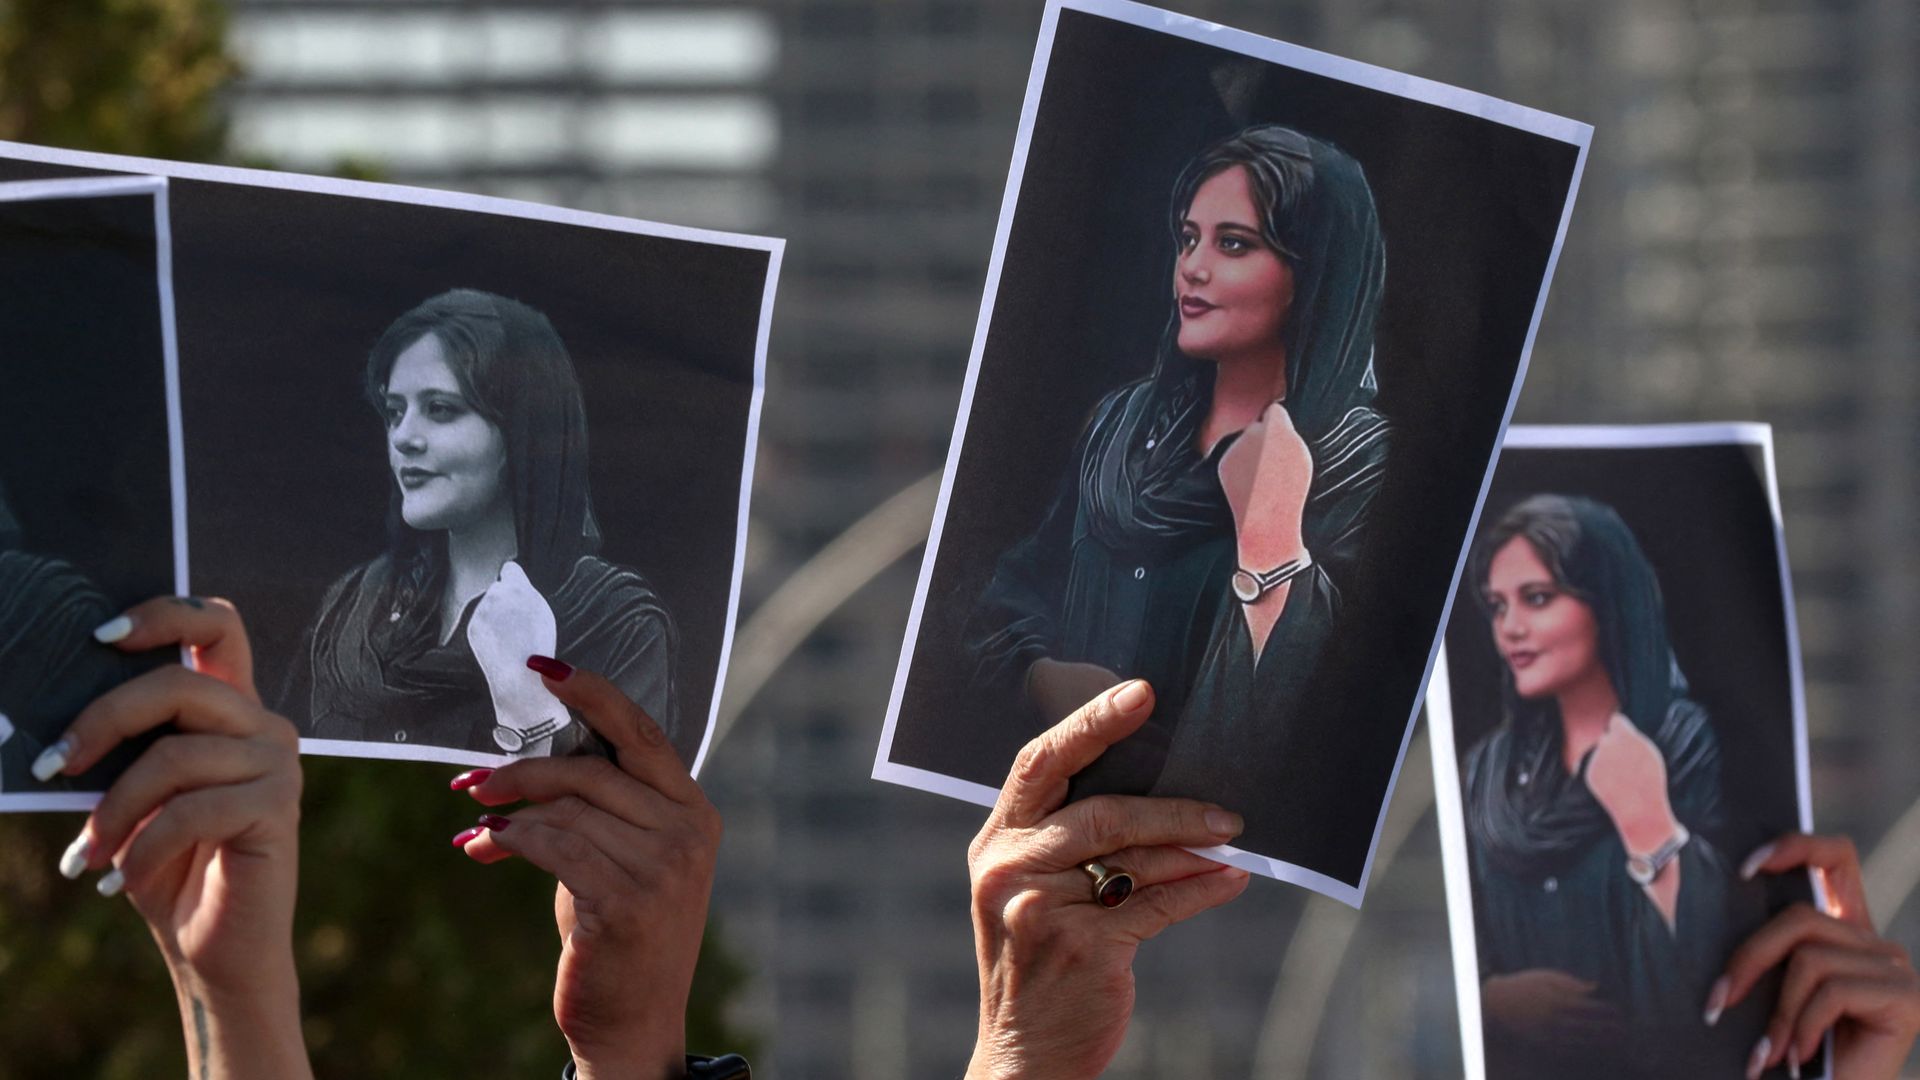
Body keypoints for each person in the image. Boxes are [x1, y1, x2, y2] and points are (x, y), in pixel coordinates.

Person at [966, 124, 1389, 822]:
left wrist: (1274, 542)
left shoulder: (1362, 464)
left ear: (1316, 274)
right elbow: (1002, 596)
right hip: (1054, 813)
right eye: (1188, 238)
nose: (1192, 267)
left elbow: (1329, 723)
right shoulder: (1123, 427)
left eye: (1233, 244)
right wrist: (1041, 678)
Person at [281, 289, 689, 763]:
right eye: (395, 411)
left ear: (522, 432)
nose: (404, 437)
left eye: (441, 409)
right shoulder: (354, 606)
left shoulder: (617, 622)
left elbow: (624, 811)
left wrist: (528, 703)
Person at [1464, 493, 1757, 1074]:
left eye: (1538, 599)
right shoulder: (1489, 770)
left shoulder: (1690, 746)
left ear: (1610, 603)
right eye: (1498, 607)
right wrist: (1492, 1001)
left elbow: (1719, 977)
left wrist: (1652, 828)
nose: (1511, 629)